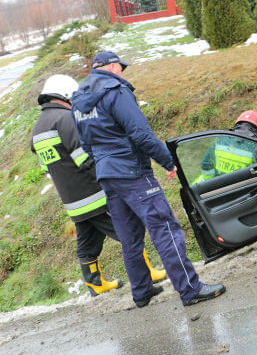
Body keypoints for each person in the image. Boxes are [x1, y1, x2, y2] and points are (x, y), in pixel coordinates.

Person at [71, 52, 225, 307]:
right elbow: (141, 133)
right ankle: (190, 289)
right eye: (121, 68)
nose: (122, 73)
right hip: (132, 172)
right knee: (165, 230)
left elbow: (85, 144)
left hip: (108, 176)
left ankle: (141, 291)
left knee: (129, 237)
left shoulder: (78, 101)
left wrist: (105, 163)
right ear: (112, 67)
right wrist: (167, 160)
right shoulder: (115, 90)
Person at [31, 74, 166, 297]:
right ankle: (147, 273)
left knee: (87, 241)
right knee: (128, 232)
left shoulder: (38, 128)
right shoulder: (65, 119)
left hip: (72, 201)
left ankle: (95, 284)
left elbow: (47, 167)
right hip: (94, 194)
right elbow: (85, 158)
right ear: (66, 96)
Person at [195, 109, 257, 183]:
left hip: (209, 185)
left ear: (237, 123)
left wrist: (211, 183)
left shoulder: (221, 138)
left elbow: (206, 163)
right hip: (238, 188)